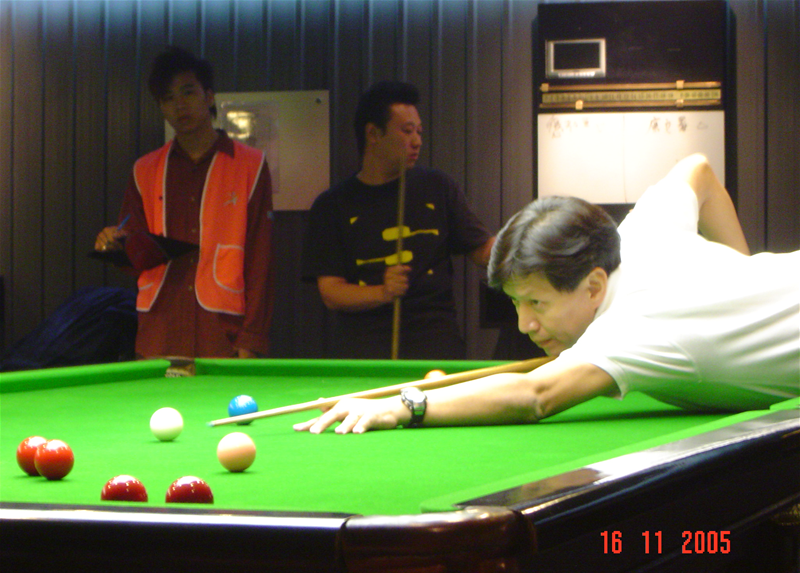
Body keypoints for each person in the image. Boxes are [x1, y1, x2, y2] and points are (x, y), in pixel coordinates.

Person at [294, 153, 799, 434]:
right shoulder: (633, 236)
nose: (525, 325)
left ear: (594, 286)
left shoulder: (636, 325)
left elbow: (536, 396)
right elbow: (697, 169)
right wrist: (744, 278)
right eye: (517, 303)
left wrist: (406, 405)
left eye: (537, 303)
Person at [95, 47, 274, 358]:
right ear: (161, 108)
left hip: (222, 331)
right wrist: (113, 244)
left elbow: (261, 259)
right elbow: (134, 254)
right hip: (159, 330)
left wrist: (252, 338)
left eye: (188, 92)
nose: (179, 105)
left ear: (209, 96)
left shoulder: (251, 165)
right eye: (168, 98)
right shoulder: (144, 169)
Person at [302, 81, 495, 359]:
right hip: (364, 345)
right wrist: (383, 292)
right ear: (373, 133)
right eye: (407, 131)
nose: (417, 141)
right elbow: (331, 292)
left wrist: (518, 246)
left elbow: (481, 250)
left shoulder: (438, 187)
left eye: (419, 131)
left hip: (436, 341)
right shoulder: (332, 205)